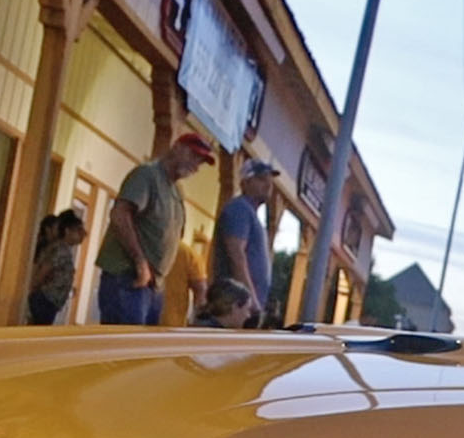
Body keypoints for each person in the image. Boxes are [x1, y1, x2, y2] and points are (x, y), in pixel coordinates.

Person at [95, 132, 215, 324]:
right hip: (129, 278)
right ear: (176, 148)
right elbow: (119, 215)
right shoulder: (147, 175)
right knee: (126, 348)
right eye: (193, 155)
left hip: (153, 286)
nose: (196, 165)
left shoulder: (176, 191)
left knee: (143, 349)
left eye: (200, 161)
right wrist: (140, 262)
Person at [211, 157, 278, 327]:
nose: (268, 185)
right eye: (262, 179)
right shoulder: (239, 209)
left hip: (243, 307)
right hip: (234, 306)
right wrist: (252, 301)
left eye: (270, 180)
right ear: (246, 182)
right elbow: (236, 255)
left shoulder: (251, 215)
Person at [26, 210, 86, 324]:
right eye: (78, 230)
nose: (83, 234)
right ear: (67, 231)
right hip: (45, 299)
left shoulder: (65, 250)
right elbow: (45, 269)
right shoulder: (60, 249)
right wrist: (33, 289)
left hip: (50, 301)